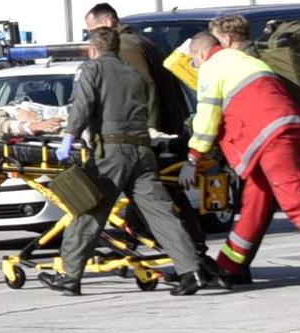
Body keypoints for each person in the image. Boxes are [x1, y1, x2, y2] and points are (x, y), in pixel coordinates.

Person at [187, 13, 300, 293]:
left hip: (269, 137)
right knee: (256, 200)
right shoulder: (250, 61)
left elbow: (206, 117)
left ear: (203, 52)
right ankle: (230, 266)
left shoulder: (213, 64)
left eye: (194, 59)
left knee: (294, 200)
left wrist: (194, 157)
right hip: (286, 130)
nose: (194, 65)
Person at [36, 23, 205, 297]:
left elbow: (83, 104)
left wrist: (70, 136)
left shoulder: (93, 69)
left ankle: (69, 276)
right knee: (162, 214)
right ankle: (192, 270)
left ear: (93, 49)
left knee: (89, 211)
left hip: (110, 155)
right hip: (141, 151)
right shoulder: (134, 74)